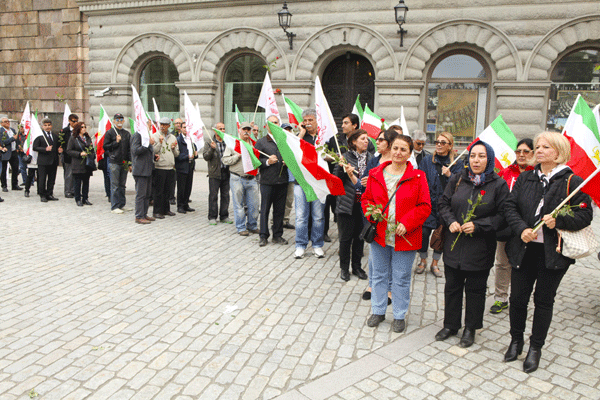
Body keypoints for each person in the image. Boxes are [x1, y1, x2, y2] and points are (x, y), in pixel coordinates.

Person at [503, 131, 592, 373]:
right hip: (524, 249)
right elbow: (510, 206)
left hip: (552, 254)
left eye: (546, 147)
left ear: (559, 152)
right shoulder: (526, 178)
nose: (539, 150)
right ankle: (516, 340)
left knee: (543, 301)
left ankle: (535, 348)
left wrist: (559, 220)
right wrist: (521, 229)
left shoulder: (572, 181)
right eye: (538, 147)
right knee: (518, 298)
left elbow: (585, 215)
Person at [435, 140, 509, 348]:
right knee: (452, 287)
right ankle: (451, 324)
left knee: (475, 290)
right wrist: (451, 221)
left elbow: (503, 215)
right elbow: (443, 203)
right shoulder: (459, 179)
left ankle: (470, 328)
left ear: (490, 159)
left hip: (480, 247)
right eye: (473, 156)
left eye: (482, 156)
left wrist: (478, 225)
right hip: (454, 245)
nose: (476, 160)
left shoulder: (498, 184)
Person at [362, 135, 431, 333]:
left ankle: (399, 315)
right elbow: (366, 199)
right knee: (379, 275)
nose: (398, 152)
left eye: (403, 149)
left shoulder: (418, 177)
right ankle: (378, 310)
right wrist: (372, 213)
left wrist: (407, 223)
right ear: (390, 149)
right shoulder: (376, 173)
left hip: (405, 236)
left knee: (401, 277)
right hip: (380, 234)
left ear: (410, 154)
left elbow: (425, 206)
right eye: (395, 148)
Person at [490, 138, 534, 314]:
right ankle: (501, 298)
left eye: (526, 151)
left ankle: (520, 297)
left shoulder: (536, 174)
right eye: (518, 151)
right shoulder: (506, 172)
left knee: (524, 264)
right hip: (506, 226)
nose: (521, 155)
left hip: (528, 227)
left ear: (532, 154)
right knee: (502, 263)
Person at [417, 131, 464, 277]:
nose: (438, 145)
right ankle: (423, 260)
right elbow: (420, 180)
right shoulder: (426, 160)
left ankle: (435, 263)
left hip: (445, 206)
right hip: (428, 204)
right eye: (437, 142)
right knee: (423, 233)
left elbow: (460, 185)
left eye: (443, 142)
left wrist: (450, 176)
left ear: (450, 146)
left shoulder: (457, 163)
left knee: (441, 234)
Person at [359, 128, 398, 299]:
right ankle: (372, 285)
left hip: (392, 212)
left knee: (390, 252)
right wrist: (365, 182)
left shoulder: (398, 163)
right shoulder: (374, 160)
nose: (377, 142)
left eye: (381, 139)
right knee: (375, 252)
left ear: (390, 143)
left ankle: (389, 288)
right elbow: (362, 185)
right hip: (374, 212)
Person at [334, 129, 373, 281]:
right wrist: (344, 170)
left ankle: (357, 267)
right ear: (354, 142)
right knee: (345, 239)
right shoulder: (345, 157)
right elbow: (336, 180)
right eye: (363, 138)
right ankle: (344, 268)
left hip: (363, 205)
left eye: (367, 138)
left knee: (359, 238)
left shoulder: (372, 158)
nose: (366, 141)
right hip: (347, 203)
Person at [294, 109, 326, 259]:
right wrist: (300, 133)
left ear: (317, 120)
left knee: (318, 216)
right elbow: (292, 152)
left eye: (310, 120)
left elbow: (334, 156)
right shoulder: (299, 137)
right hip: (302, 182)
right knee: (301, 216)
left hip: (319, 182)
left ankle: (317, 245)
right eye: (305, 120)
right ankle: (300, 245)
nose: (307, 123)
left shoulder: (325, 137)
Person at [255, 115, 289, 246]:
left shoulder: (284, 140)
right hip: (267, 182)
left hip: (282, 181)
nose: (274, 125)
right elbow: (256, 161)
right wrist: (267, 162)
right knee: (265, 209)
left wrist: (288, 163)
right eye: (271, 123)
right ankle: (263, 235)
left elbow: (292, 157)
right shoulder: (262, 142)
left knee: (280, 210)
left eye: (276, 122)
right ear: (267, 126)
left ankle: (277, 235)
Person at [222, 122, 260, 236]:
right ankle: (241, 227)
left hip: (252, 178)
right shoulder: (233, 144)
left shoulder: (254, 144)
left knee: (254, 204)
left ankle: (252, 226)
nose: (246, 131)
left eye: (249, 129)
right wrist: (237, 156)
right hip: (237, 178)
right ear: (239, 130)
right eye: (244, 129)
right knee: (238, 205)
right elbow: (224, 160)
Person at [203, 122, 231, 225]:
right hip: (214, 173)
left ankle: (224, 216)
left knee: (225, 195)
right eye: (220, 129)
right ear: (215, 130)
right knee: (213, 196)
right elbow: (206, 157)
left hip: (226, 172)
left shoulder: (227, 142)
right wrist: (211, 148)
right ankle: (212, 216)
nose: (223, 130)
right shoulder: (209, 142)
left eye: (224, 128)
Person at [103, 113, 132, 214]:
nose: (119, 121)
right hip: (114, 162)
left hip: (123, 162)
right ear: (114, 121)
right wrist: (116, 142)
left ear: (124, 121)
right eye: (117, 119)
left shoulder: (127, 133)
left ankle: (121, 204)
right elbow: (105, 147)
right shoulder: (110, 133)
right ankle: (114, 206)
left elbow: (129, 149)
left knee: (122, 185)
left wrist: (130, 163)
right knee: (114, 185)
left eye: (121, 119)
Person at [152, 117, 179, 219]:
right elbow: (153, 150)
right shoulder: (155, 136)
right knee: (159, 191)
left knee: (167, 190)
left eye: (165, 124)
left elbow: (177, 153)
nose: (162, 126)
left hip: (170, 167)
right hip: (160, 167)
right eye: (161, 124)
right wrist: (159, 142)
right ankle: (157, 211)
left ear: (169, 126)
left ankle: (166, 209)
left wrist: (174, 149)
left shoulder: (172, 137)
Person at [131, 121, 156, 224]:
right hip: (140, 170)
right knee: (140, 195)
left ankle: (144, 214)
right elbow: (135, 150)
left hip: (148, 169)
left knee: (147, 194)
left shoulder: (146, 135)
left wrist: (154, 157)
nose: (151, 126)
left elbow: (147, 152)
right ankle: (139, 216)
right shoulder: (137, 135)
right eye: (149, 124)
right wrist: (147, 145)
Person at [66, 122, 95, 207]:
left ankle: (85, 198)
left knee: (86, 182)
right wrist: (79, 154)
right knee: (77, 182)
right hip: (78, 164)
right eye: (82, 127)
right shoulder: (73, 138)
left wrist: (91, 154)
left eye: (85, 127)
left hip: (87, 164)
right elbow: (69, 150)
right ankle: (78, 199)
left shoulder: (87, 138)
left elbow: (91, 148)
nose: (84, 128)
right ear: (78, 128)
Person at [33, 118, 61, 202]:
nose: (47, 127)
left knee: (52, 179)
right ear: (42, 126)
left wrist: (59, 150)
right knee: (42, 179)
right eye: (45, 125)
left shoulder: (55, 136)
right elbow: (35, 147)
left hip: (53, 160)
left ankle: (50, 193)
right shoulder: (39, 136)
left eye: (49, 125)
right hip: (43, 161)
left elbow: (57, 146)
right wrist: (45, 149)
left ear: (51, 126)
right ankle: (42, 195)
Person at [175, 122, 197, 214]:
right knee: (181, 188)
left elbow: (194, 151)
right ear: (180, 128)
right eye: (184, 127)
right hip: (181, 167)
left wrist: (195, 155)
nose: (186, 129)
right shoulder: (178, 140)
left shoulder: (191, 139)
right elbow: (177, 155)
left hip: (190, 166)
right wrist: (187, 156)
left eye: (187, 128)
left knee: (188, 187)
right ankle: (180, 205)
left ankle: (186, 204)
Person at [1, 116, 22, 192]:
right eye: (5, 121)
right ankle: (4, 185)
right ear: (1, 123)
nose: (7, 123)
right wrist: (12, 138)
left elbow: (16, 140)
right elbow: (3, 142)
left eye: (8, 121)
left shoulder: (12, 130)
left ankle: (14, 185)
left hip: (13, 152)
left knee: (15, 169)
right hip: (5, 152)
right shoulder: (1, 131)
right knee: (4, 169)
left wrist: (17, 146)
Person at [60, 113, 79, 198]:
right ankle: (68, 191)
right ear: (69, 121)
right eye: (73, 121)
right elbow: (61, 143)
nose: (75, 123)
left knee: (76, 174)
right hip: (67, 156)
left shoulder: (78, 131)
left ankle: (74, 190)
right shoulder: (64, 131)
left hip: (76, 155)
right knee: (68, 174)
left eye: (76, 121)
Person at [281, 123, 296, 230]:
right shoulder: (278, 143)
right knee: (279, 200)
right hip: (280, 177)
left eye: (289, 130)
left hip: (291, 177)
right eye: (285, 129)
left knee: (289, 200)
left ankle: (285, 220)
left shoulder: (293, 143)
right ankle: (276, 221)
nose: (287, 131)